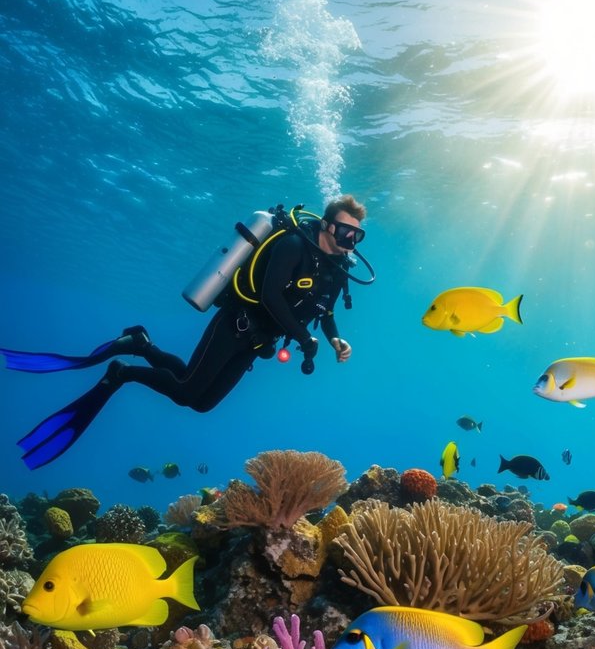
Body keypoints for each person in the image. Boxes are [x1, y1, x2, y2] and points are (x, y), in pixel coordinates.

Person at [3, 195, 370, 470]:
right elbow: (272, 296)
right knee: (185, 390)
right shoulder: (292, 245)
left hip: (259, 342)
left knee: (201, 402)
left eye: (357, 234)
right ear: (325, 225)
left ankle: (142, 346)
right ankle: (123, 373)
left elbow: (325, 310)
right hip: (235, 323)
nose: (349, 240)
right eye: (344, 230)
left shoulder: (339, 269)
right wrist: (304, 340)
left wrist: (335, 337)